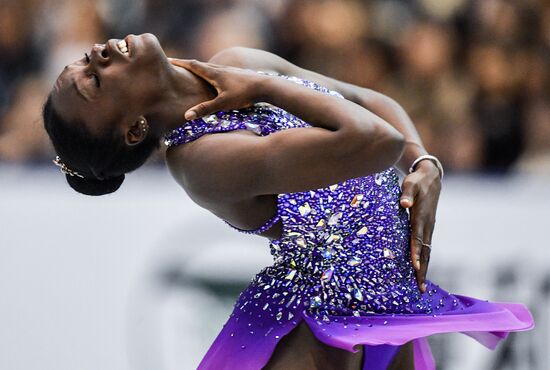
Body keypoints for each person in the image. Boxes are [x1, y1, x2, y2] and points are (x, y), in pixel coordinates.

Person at [43, 33, 534, 369]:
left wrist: (426, 163)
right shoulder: (202, 159)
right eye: (94, 82)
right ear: (134, 131)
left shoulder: (235, 60)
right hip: (315, 330)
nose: (97, 55)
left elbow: (370, 101)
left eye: (85, 62)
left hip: (391, 309)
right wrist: (262, 86)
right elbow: (376, 142)